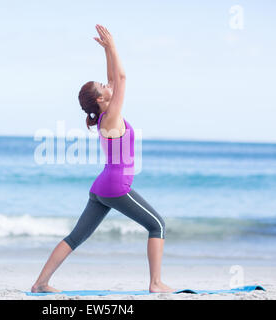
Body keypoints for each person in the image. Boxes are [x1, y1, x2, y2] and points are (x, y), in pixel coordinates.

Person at [31, 24, 172, 293]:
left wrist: (107, 50)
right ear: (99, 98)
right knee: (158, 225)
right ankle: (155, 283)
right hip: (116, 187)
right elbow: (121, 78)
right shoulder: (112, 116)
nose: (108, 84)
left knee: (76, 237)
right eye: (102, 86)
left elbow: (113, 78)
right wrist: (113, 46)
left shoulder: (105, 117)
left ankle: (40, 283)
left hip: (101, 187)